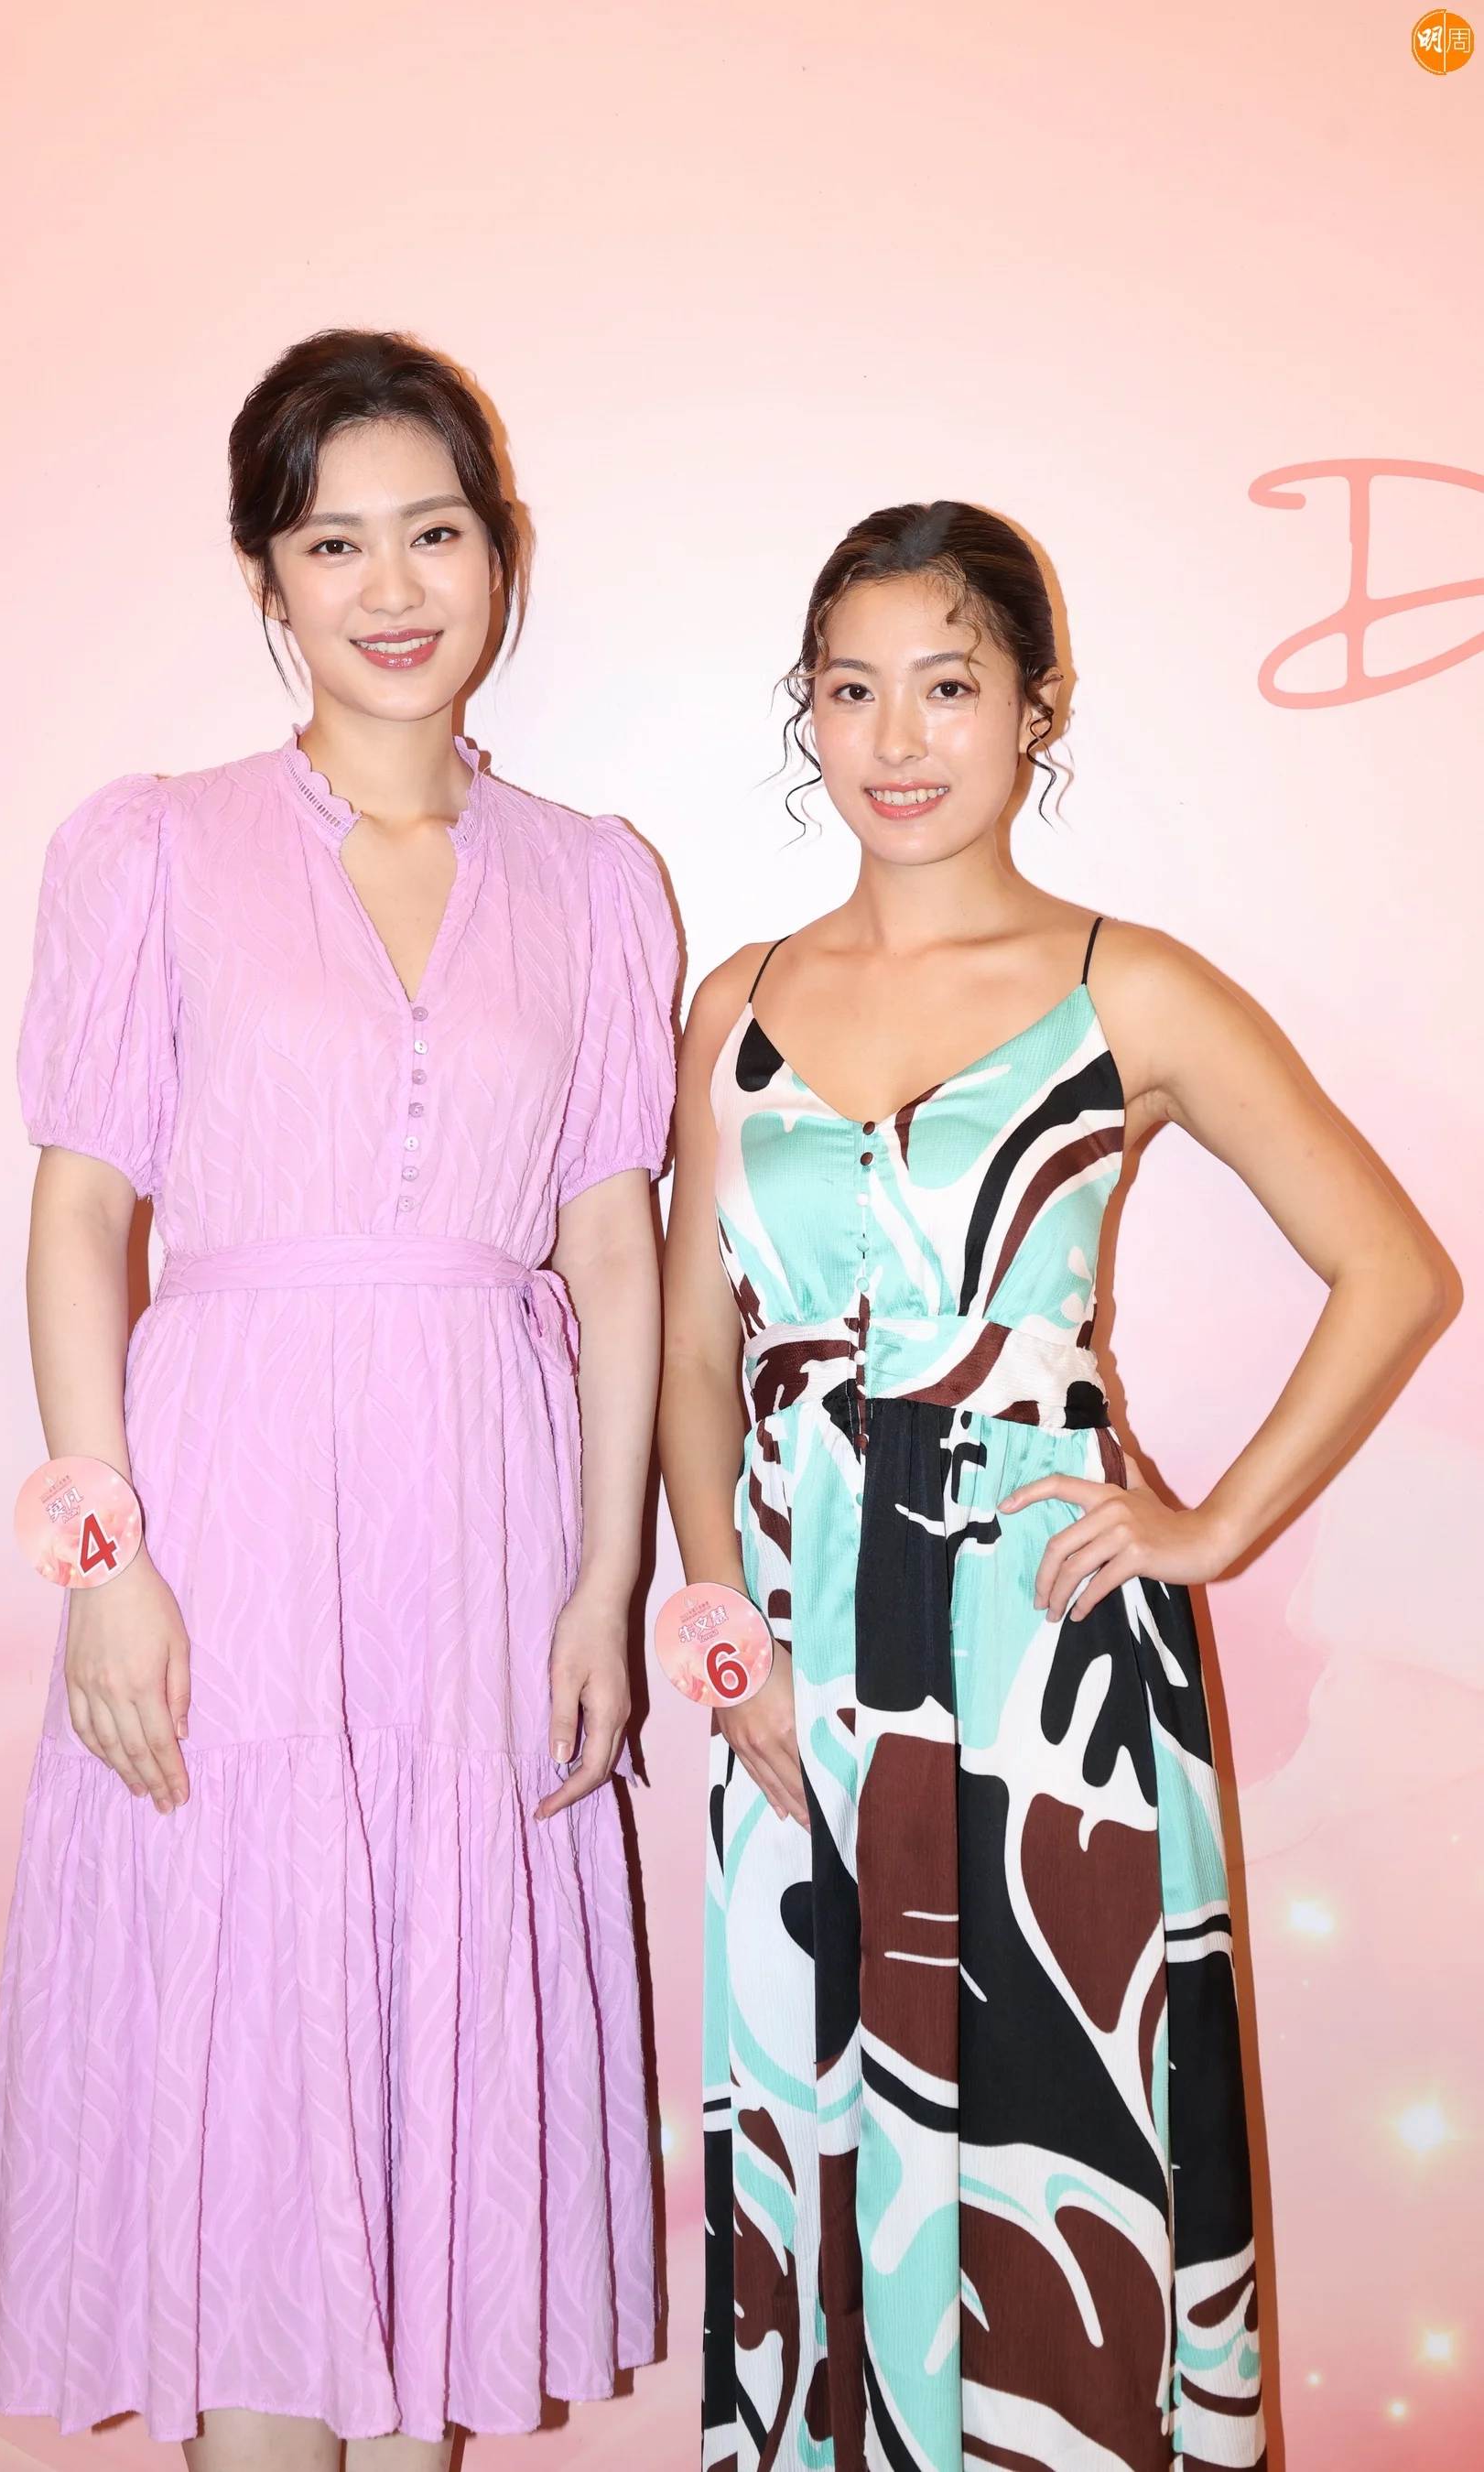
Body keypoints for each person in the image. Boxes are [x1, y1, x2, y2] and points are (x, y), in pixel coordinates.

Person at [659, 502, 1445, 2472]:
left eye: (948, 684)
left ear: (1034, 707)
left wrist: (1211, 1527)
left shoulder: (1129, 987)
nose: (897, 737)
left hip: (1046, 1667)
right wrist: (729, 1639)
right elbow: (690, 1356)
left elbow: (1394, 1270)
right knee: (829, 2136)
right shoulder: (732, 1005)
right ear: (806, 713)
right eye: (852, 689)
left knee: (1052, 2138)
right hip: (803, 1678)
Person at [0, 330, 677, 2470]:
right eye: (334, 541)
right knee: (253, 2068)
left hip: (484, 1528)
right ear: (267, 578)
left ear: (501, 552)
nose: (393, 586)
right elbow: (81, 1211)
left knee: (432, 2113)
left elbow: (617, 1250)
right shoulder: (155, 846)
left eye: (434, 532)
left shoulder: (597, 878)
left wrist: (605, 1586)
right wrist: (103, 1560)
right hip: (232, 1519)